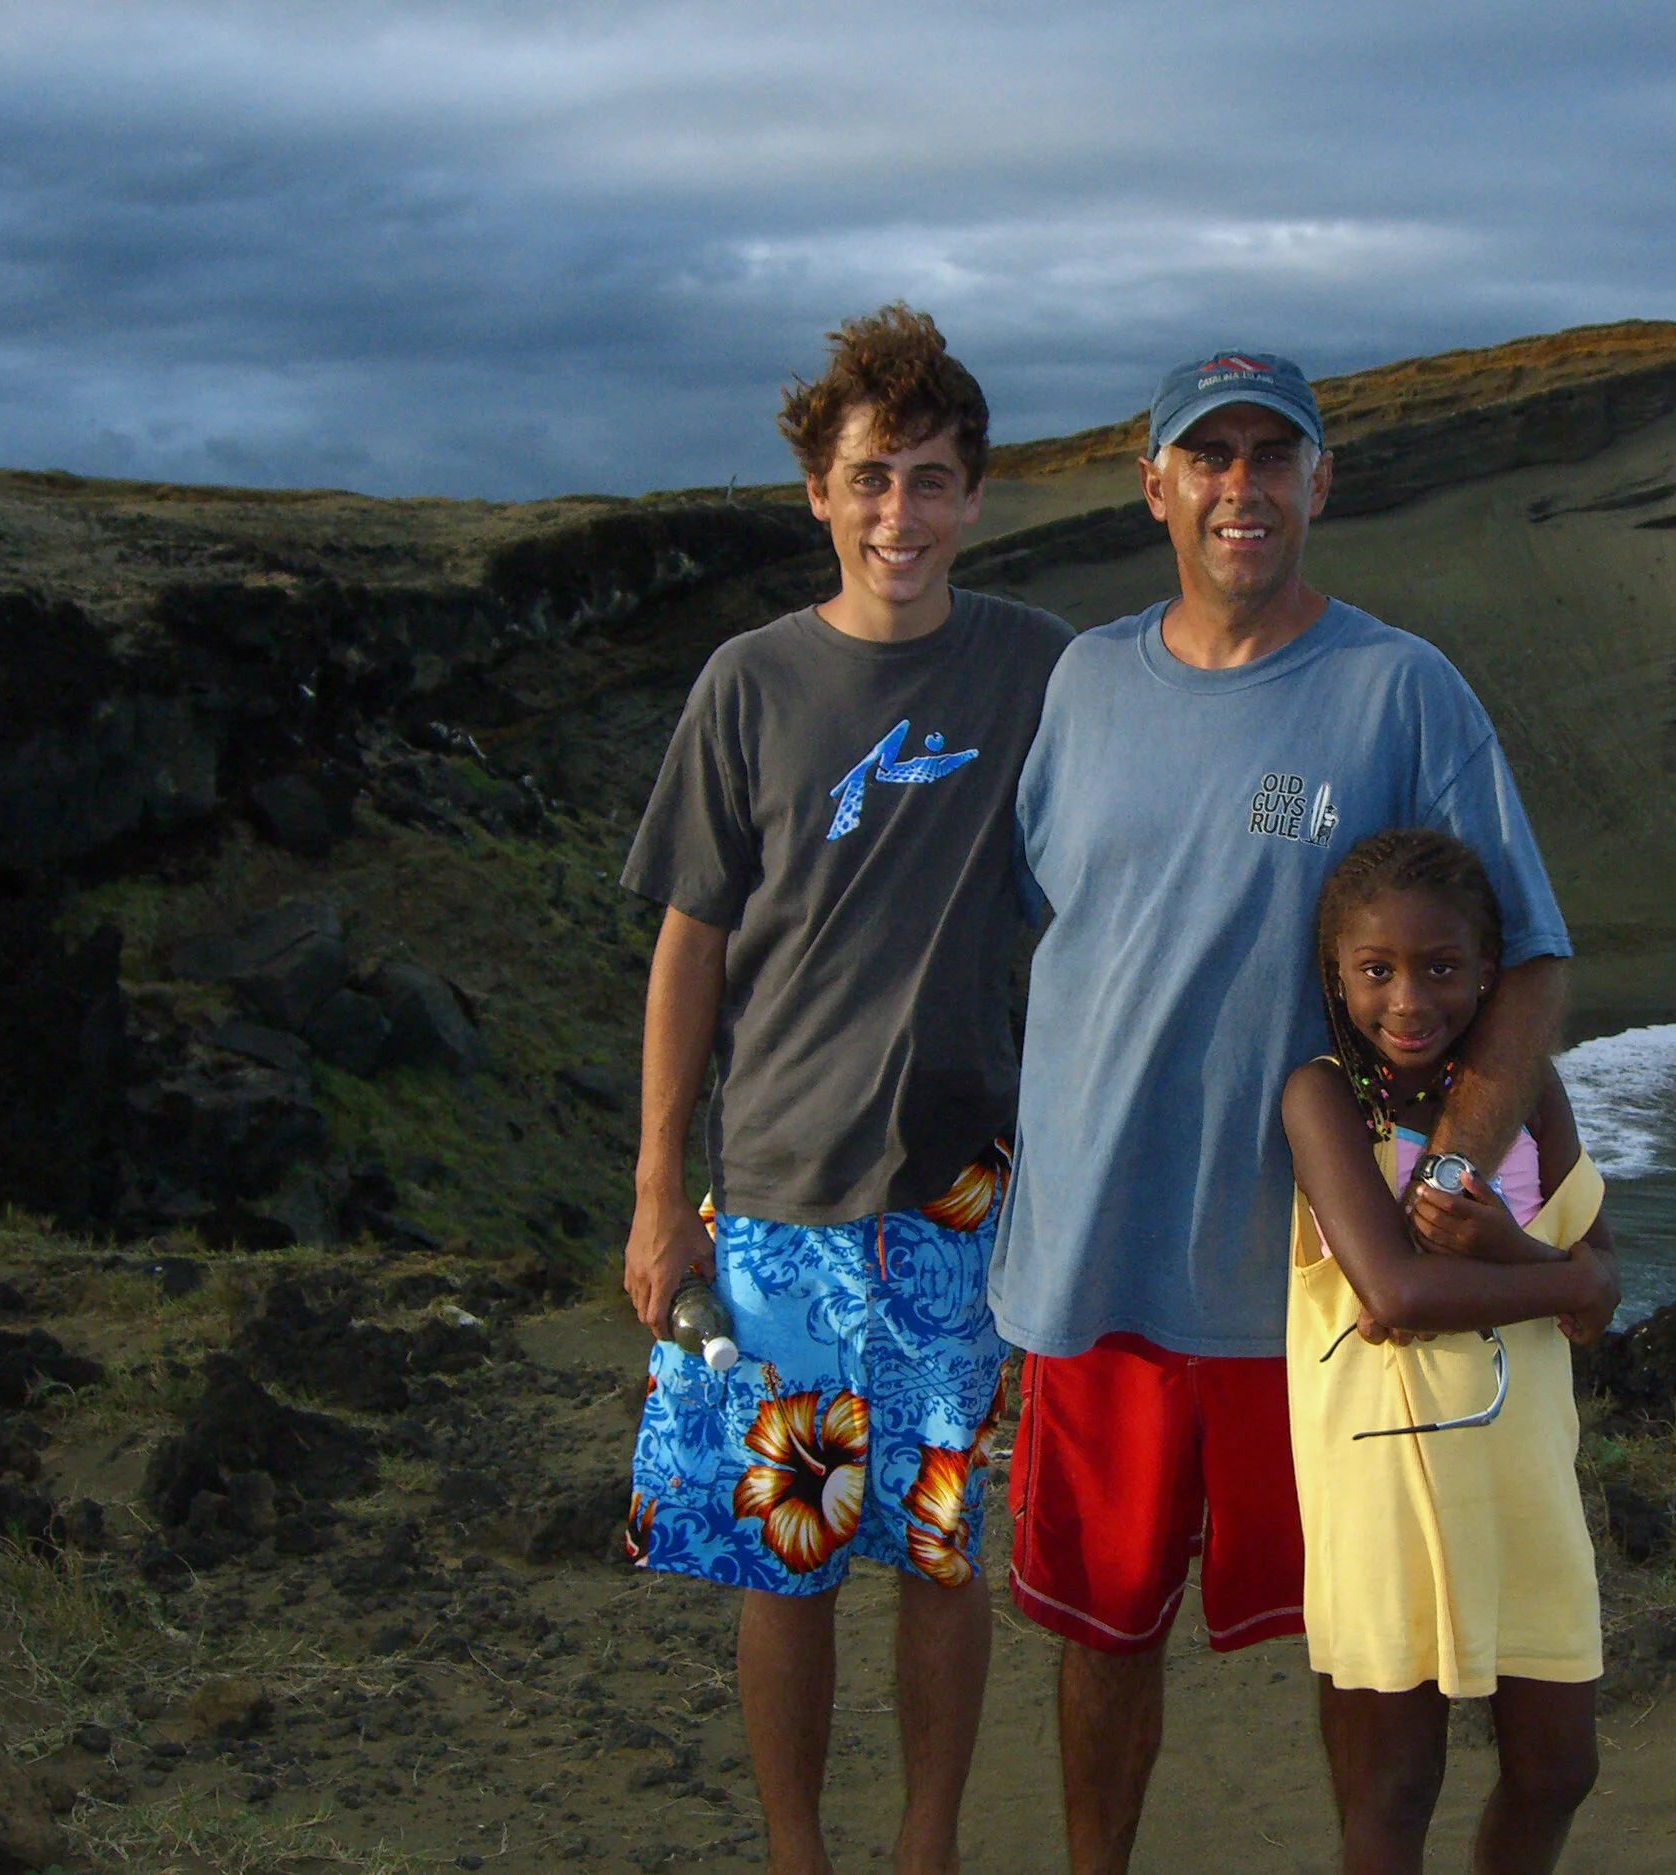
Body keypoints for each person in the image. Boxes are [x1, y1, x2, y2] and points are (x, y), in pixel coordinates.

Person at [991, 350, 1576, 1873]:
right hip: (1098, 1263)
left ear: (1322, 479)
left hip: (1315, 1284)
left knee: (1360, 1641)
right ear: (1156, 485)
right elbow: (1040, 923)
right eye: (1210, 455)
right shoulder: (1083, 682)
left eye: (1272, 454)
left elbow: (1529, 955)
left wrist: (1455, 1174)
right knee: (1101, 1627)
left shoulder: (1401, 688)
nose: (1239, 486)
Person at [619, 304, 1072, 1875]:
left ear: (975, 495)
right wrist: (658, 1195)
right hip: (778, 1195)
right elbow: (690, 942)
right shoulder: (747, 684)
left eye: (933, 479)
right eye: (872, 477)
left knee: (941, 1550)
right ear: (818, 489)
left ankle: (924, 1847)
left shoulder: (1037, 667)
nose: (901, 512)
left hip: (956, 1199)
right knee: (788, 1549)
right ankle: (798, 1851)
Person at [1283, 827, 1618, 1875]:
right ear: (1336, 974)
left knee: (1558, 1768)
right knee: (1393, 1786)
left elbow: (1602, 1284)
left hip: (1525, 1476)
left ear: (1487, 969)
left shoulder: (1530, 1096)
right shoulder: (1322, 1100)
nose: (1408, 1001)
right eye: (1376, 970)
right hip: (1381, 1486)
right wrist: (1560, 1280)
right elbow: (1395, 1292)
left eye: (1439, 968)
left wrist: (1516, 1253)